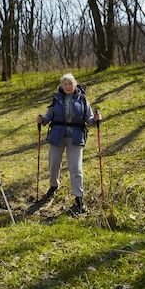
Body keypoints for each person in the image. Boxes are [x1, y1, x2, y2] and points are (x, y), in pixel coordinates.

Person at [36, 73, 102, 213]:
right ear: (61, 85)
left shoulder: (82, 99)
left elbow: (89, 119)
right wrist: (42, 120)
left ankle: (79, 198)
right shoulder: (56, 98)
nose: (67, 86)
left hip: (75, 137)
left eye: (70, 84)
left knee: (75, 168)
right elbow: (49, 116)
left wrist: (95, 119)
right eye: (65, 84)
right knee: (54, 164)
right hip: (56, 136)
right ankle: (54, 186)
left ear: (75, 85)